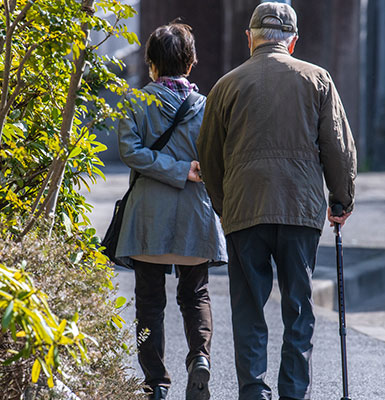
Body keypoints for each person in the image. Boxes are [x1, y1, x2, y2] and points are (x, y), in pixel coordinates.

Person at [196, 3, 357, 399]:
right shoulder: (317, 79)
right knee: (298, 306)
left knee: (248, 306)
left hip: (244, 208)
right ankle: (292, 392)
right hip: (300, 209)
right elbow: (338, 148)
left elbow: (209, 155)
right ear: (293, 41)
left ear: (249, 38)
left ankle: (253, 391)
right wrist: (341, 200)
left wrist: (223, 203)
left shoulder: (226, 86)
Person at [116, 22, 226, 400]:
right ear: (191, 63)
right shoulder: (207, 107)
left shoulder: (134, 102)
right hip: (195, 215)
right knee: (195, 295)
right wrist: (187, 170)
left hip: (148, 219)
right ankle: (200, 358)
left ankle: (156, 383)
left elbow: (130, 152)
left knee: (148, 301)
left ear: (151, 63)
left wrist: (170, 169)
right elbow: (218, 158)